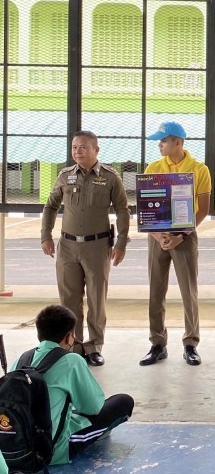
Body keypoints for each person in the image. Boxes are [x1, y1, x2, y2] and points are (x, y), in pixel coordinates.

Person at [41, 131, 130, 367]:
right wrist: (45, 236)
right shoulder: (65, 176)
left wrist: (121, 242)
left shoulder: (110, 177)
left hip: (97, 247)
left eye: (83, 147)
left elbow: (122, 210)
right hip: (68, 246)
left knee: (96, 299)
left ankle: (94, 346)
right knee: (69, 300)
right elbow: (50, 206)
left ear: (96, 150)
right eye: (74, 147)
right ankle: (74, 346)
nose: (77, 152)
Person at [10, 305, 134, 466]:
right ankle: (98, 433)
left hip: (14, 448)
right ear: (69, 337)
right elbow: (93, 408)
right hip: (51, 451)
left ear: (39, 333)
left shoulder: (20, 360)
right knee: (123, 401)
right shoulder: (71, 360)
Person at [139, 121, 211, 367]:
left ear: (178, 142)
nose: (159, 145)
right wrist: (159, 236)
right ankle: (157, 343)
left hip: (185, 238)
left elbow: (203, 209)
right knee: (156, 291)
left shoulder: (199, 170)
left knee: (188, 291)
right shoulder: (153, 168)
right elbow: (145, 208)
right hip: (157, 237)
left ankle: (191, 343)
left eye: (163, 141)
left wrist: (181, 236)